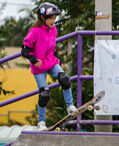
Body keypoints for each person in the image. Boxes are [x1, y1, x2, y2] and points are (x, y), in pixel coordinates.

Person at [21, 2, 77, 131]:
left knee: (64, 78)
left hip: (51, 62)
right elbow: (24, 50)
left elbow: (52, 48)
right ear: (42, 18)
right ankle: (41, 122)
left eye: (55, 18)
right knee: (44, 94)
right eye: (51, 18)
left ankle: (70, 106)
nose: (53, 21)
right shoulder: (34, 32)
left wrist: (59, 62)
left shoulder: (54, 30)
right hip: (38, 67)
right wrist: (33, 58)